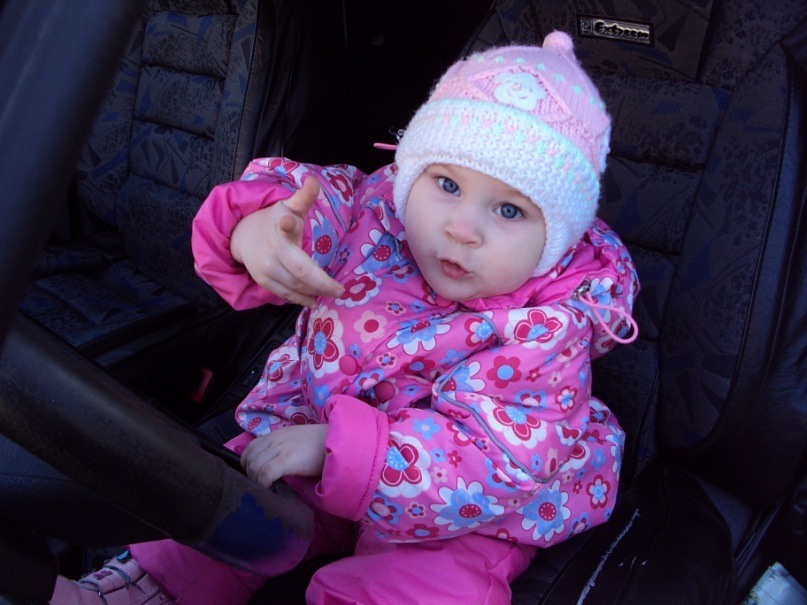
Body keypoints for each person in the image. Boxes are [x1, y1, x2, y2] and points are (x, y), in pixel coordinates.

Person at [52, 31, 639, 605]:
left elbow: (492, 462)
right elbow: (307, 199)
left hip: (466, 503)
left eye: (508, 210)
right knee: (223, 503)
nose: (462, 227)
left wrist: (345, 450)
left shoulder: (552, 329)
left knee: (432, 583)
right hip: (313, 430)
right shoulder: (374, 213)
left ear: (556, 239)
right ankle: (141, 590)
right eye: (446, 183)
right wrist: (257, 230)